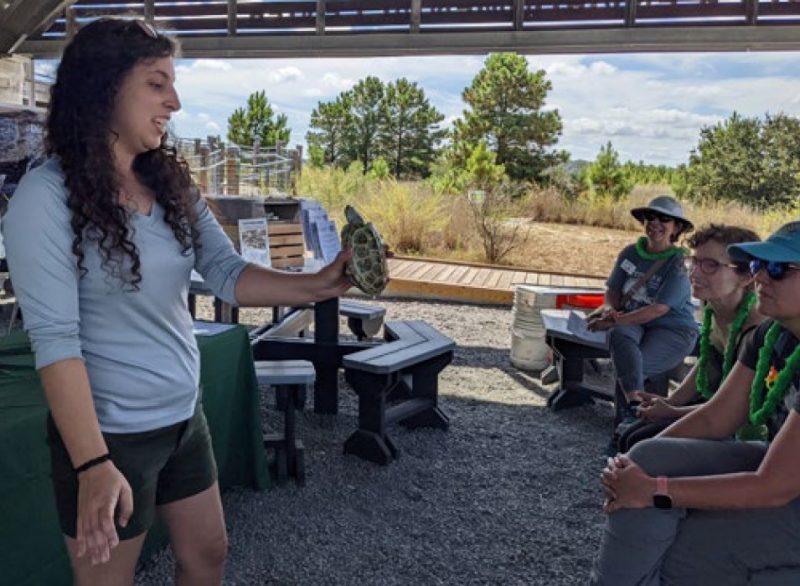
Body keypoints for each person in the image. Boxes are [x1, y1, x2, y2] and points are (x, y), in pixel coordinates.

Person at [1, 18, 352, 585]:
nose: (176, 100)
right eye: (156, 83)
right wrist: (92, 464)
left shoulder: (169, 183)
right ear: (105, 88)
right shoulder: (45, 199)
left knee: (208, 555)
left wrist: (319, 285)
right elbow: (56, 343)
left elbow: (227, 273)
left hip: (183, 418)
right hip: (110, 438)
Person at [591, 220, 800, 585]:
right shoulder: (774, 335)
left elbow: (774, 485)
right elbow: (715, 418)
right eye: (759, 266)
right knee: (647, 456)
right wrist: (629, 467)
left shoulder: (757, 325)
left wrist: (654, 491)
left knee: (677, 552)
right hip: (777, 464)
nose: (763, 277)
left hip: (784, 485)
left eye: (779, 269)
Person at [618, 224, 764, 452]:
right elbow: (707, 363)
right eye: (694, 262)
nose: (694, 273)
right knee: (633, 434)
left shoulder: (756, 329)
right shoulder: (714, 308)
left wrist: (672, 412)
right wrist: (670, 401)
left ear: (746, 277)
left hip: (748, 428)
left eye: (710, 265)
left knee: (642, 444)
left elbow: (733, 412)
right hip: (715, 407)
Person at [587, 195, 698, 439]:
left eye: (664, 219)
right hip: (632, 320)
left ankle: (633, 425)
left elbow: (659, 309)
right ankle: (629, 422)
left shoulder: (678, 262)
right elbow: (613, 291)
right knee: (622, 343)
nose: (655, 223)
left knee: (631, 368)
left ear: (676, 227)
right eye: (650, 217)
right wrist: (609, 309)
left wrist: (613, 320)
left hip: (672, 328)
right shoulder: (630, 253)